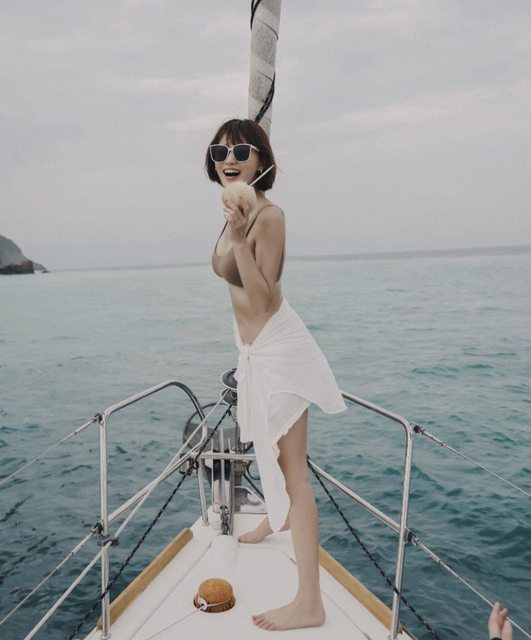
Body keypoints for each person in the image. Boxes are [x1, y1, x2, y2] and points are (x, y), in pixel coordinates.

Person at [206, 118, 346, 631]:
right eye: (220, 151)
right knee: (264, 441)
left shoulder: (269, 217)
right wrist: (234, 226)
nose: (230, 159)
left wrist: (239, 236)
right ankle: (273, 516)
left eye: (242, 151)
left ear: (261, 161)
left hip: (278, 349)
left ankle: (309, 602)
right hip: (254, 350)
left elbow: (263, 299)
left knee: (295, 472)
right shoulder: (236, 209)